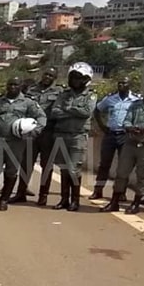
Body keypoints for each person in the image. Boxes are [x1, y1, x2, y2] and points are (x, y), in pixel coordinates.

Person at [101, 78, 144, 215]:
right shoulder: (136, 104)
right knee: (121, 172)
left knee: (143, 175)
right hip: (130, 142)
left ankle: (136, 202)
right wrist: (130, 127)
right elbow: (127, 119)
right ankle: (114, 201)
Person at [0, 77, 46, 212]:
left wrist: (34, 132)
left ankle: (4, 200)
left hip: (16, 143)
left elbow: (42, 117)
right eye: (10, 84)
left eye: (15, 84)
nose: (12, 87)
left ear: (20, 86)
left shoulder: (27, 103)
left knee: (11, 171)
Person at [48, 62, 97, 211]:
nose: (75, 80)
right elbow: (55, 112)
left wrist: (68, 109)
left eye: (78, 78)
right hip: (61, 135)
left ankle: (75, 200)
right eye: (73, 77)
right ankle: (64, 199)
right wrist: (73, 111)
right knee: (63, 169)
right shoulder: (63, 95)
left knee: (73, 169)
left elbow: (86, 112)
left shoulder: (91, 95)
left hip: (78, 136)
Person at [91, 76, 139, 200]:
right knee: (104, 165)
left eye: (124, 83)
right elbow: (97, 110)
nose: (121, 85)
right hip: (110, 134)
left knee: (123, 166)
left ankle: (120, 192)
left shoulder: (135, 100)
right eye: (120, 82)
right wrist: (102, 126)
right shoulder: (110, 99)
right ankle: (98, 190)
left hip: (126, 136)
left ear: (130, 85)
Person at [18, 67, 62, 204]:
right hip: (31, 131)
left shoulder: (59, 92)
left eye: (51, 75)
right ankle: (21, 192)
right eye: (46, 74)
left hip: (48, 132)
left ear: (55, 78)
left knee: (47, 165)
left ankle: (43, 195)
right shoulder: (31, 90)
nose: (47, 77)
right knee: (26, 163)